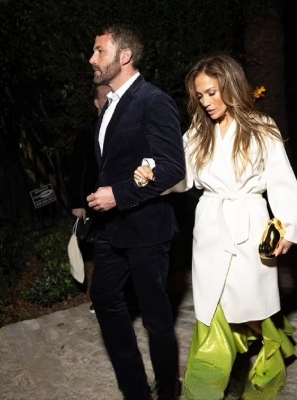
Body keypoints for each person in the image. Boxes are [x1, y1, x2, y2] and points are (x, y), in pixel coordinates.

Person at [134, 54, 297, 400]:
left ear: (230, 85)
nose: (206, 102)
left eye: (212, 93)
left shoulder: (261, 127)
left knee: (252, 305)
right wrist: (151, 173)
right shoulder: (198, 133)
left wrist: (287, 225)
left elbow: (281, 179)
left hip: (251, 224)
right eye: (200, 96)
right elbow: (179, 174)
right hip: (211, 227)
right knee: (213, 308)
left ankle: (275, 347)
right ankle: (203, 389)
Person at [86, 25, 186, 400]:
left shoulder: (153, 101)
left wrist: (119, 194)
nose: (92, 59)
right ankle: (135, 389)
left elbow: (172, 168)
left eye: (100, 51)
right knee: (104, 299)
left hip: (147, 229)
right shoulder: (110, 104)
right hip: (112, 229)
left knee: (156, 319)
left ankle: (168, 391)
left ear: (124, 56)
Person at [69, 83, 110, 313]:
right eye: (105, 96)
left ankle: (122, 296)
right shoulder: (87, 131)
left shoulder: (123, 125)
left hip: (121, 200)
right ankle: (100, 298)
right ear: (96, 102)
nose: (110, 99)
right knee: (102, 251)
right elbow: (78, 169)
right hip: (95, 202)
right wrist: (77, 203)